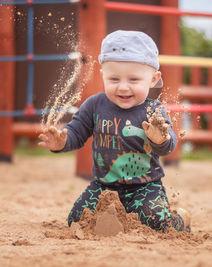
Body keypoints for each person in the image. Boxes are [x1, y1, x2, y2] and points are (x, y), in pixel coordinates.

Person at [39, 30, 190, 232]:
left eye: (134, 80)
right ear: (103, 76)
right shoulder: (94, 105)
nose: (123, 87)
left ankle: (181, 218)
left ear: (153, 79)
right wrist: (62, 142)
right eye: (114, 79)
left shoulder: (154, 110)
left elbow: (168, 146)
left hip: (145, 186)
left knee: (159, 223)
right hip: (104, 186)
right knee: (77, 220)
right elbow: (76, 132)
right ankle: (118, 216)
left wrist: (159, 139)